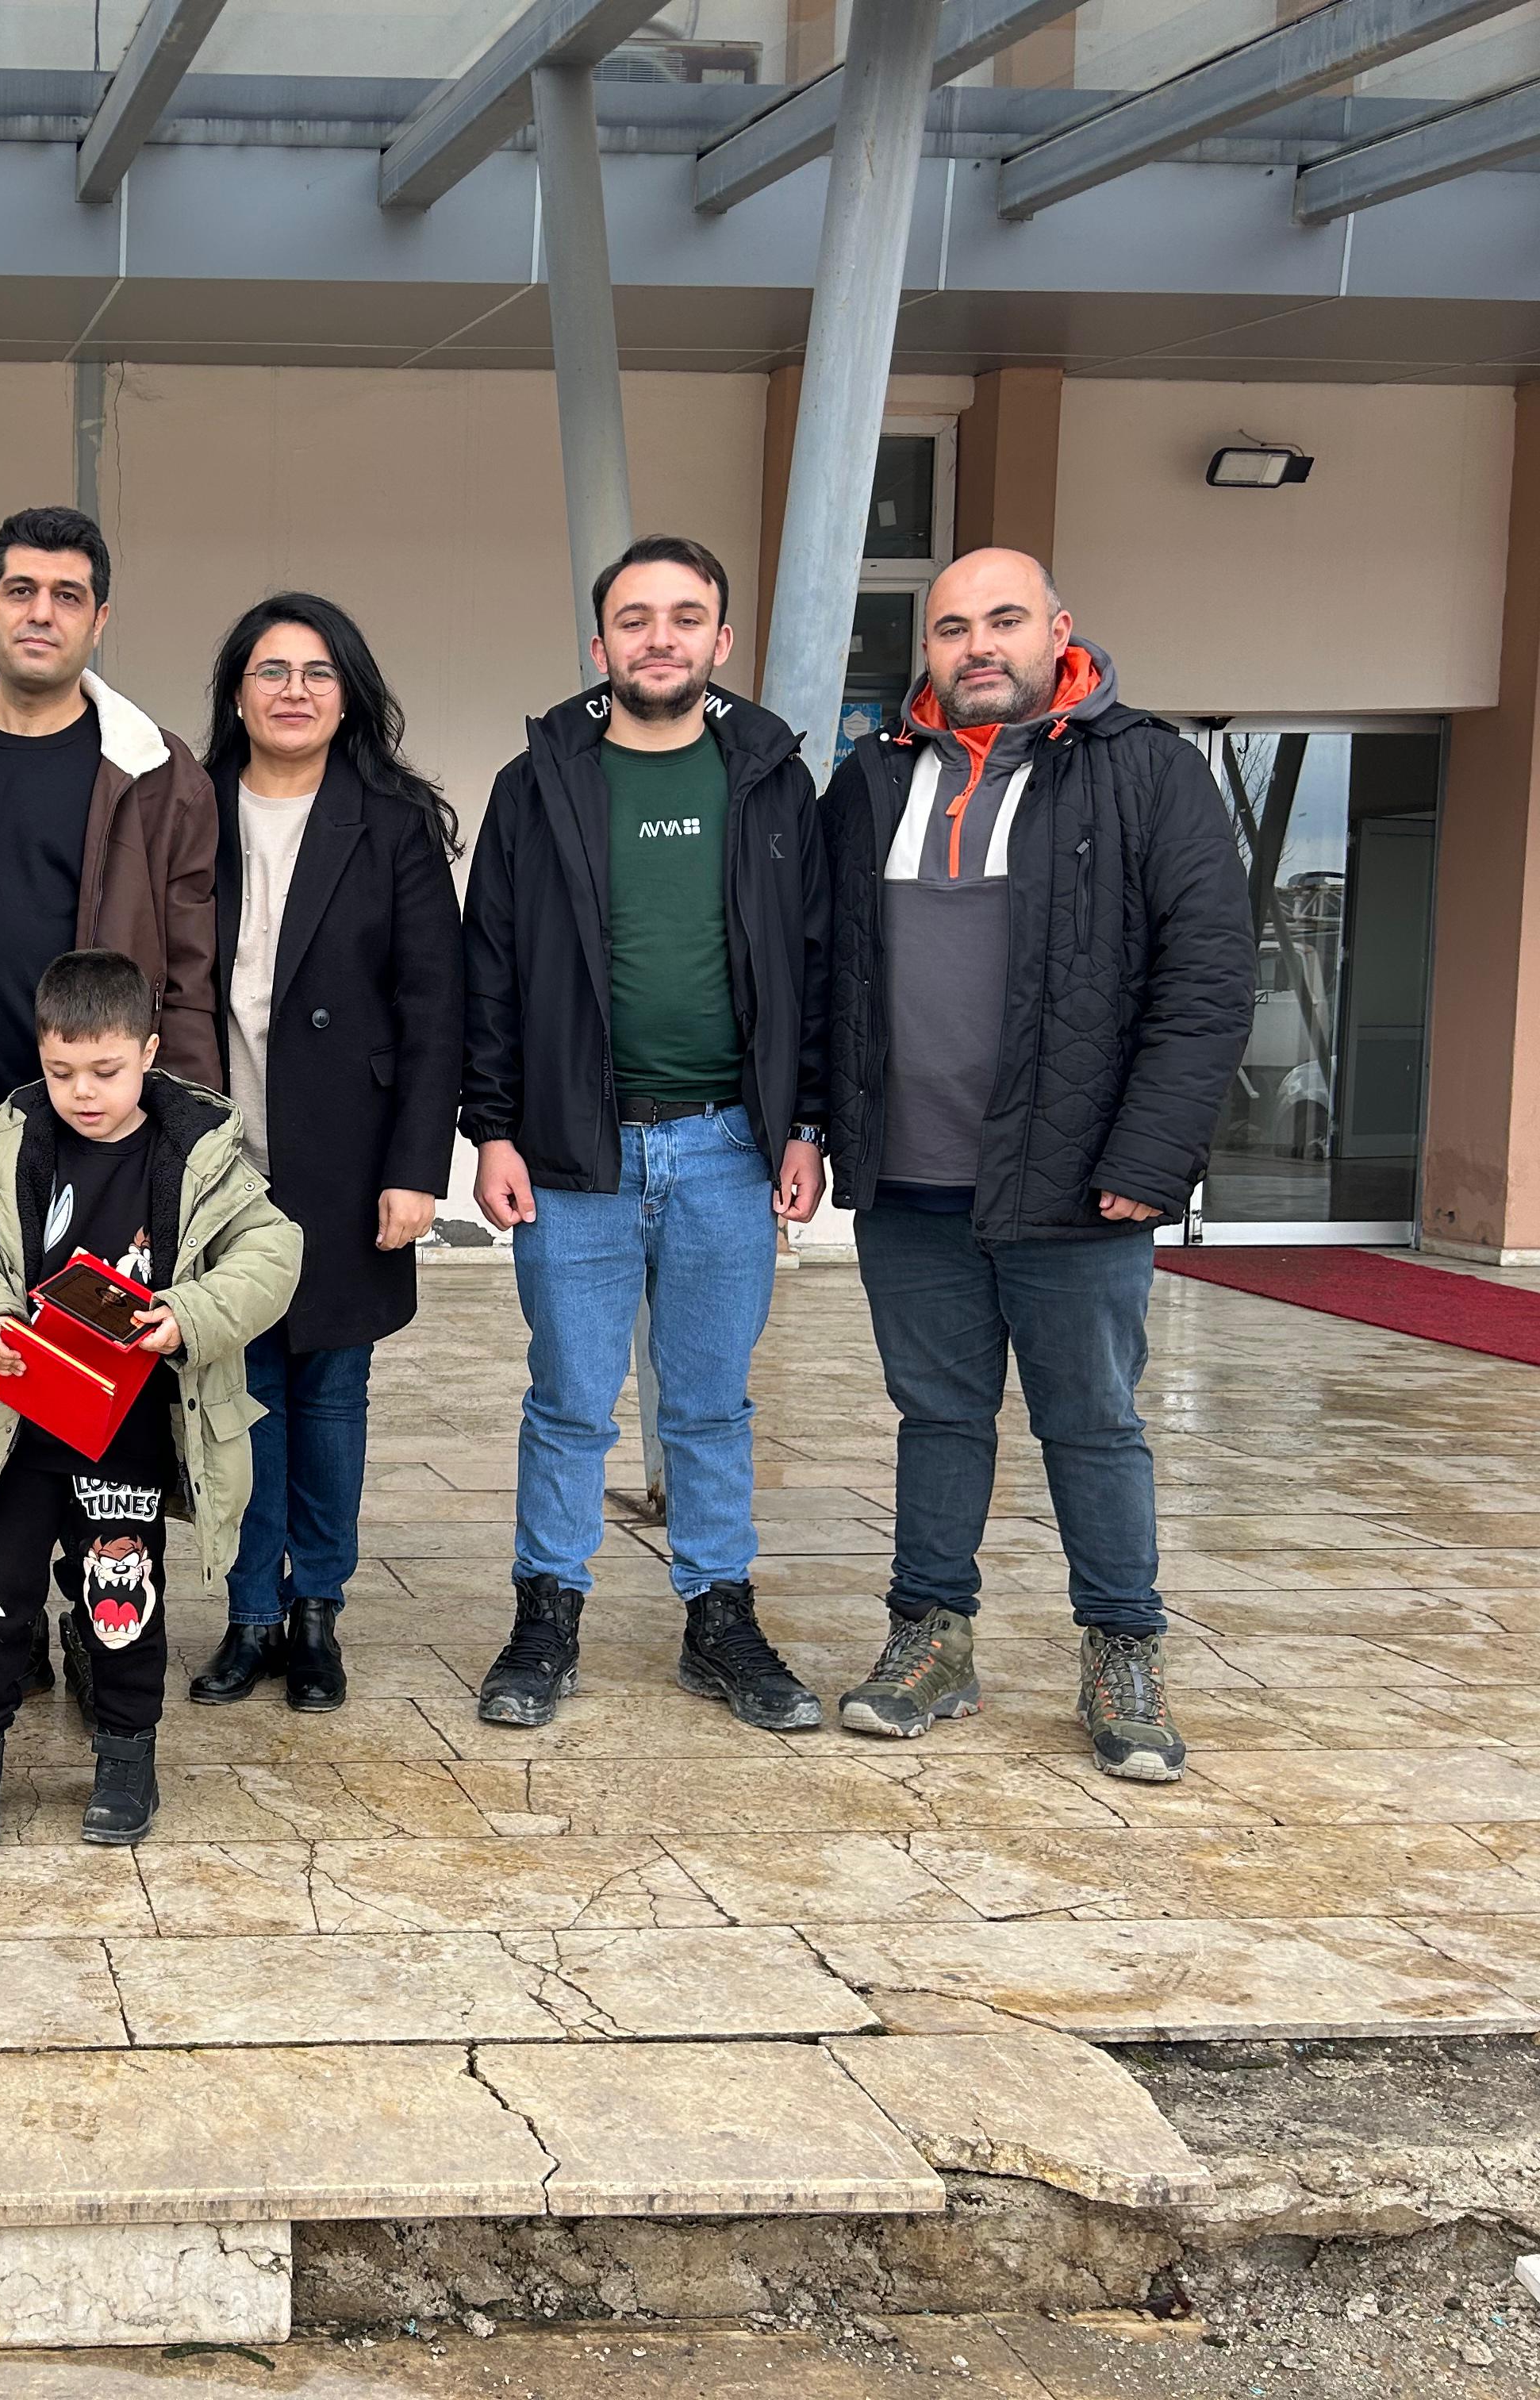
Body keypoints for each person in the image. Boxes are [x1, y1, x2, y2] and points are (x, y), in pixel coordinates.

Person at [821, 547, 1249, 1783]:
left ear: (1058, 631)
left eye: (1003, 620)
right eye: (952, 628)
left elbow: (1207, 981)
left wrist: (1152, 1156)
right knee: (937, 1417)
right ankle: (931, 1641)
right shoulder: (871, 779)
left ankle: (1123, 1651)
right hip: (911, 1182)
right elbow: (824, 970)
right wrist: (820, 1129)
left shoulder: (1148, 771)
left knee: (1093, 1425)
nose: (977, 647)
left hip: (1076, 1181)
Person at [459, 535, 831, 1733]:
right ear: (599, 642)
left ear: (721, 639)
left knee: (711, 1404)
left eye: (683, 616)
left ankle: (719, 1617)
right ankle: (547, 1615)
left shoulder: (772, 781)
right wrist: (492, 1129)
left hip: (729, 1148)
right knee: (570, 1398)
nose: (658, 637)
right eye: (634, 618)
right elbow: (489, 968)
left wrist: (806, 1125)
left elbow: (816, 965)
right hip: (576, 1152)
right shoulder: (537, 784)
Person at [0, 503, 219, 1721]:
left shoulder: (158, 771)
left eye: (66, 593)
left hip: (102, 1147)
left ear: (100, 617)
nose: (41, 612)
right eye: (21, 589)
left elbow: (187, 975)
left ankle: (98, 1624)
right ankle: (7, 1625)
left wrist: (183, 1145)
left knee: (102, 1395)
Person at [0, 950, 299, 1850]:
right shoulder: (17, 1146)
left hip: (125, 1438)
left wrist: (187, 1315)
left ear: (149, 1052)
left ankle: (127, 1761)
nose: (82, 1093)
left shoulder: (197, 1153)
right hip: (19, 1429)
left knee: (121, 1606)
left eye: (105, 1070)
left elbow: (274, 1252)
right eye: (61, 1072)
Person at [190, 594, 463, 1715]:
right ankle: (250, 1612)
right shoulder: (188, 805)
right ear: (237, 693)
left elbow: (435, 1006)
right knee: (238, 1393)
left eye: (317, 672)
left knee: (332, 1391)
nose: (293, 691)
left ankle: (316, 1611)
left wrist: (417, 1168)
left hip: (350, 1155)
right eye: (271, 670)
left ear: (348, 694)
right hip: (219, 1163)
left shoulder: (392, 821)